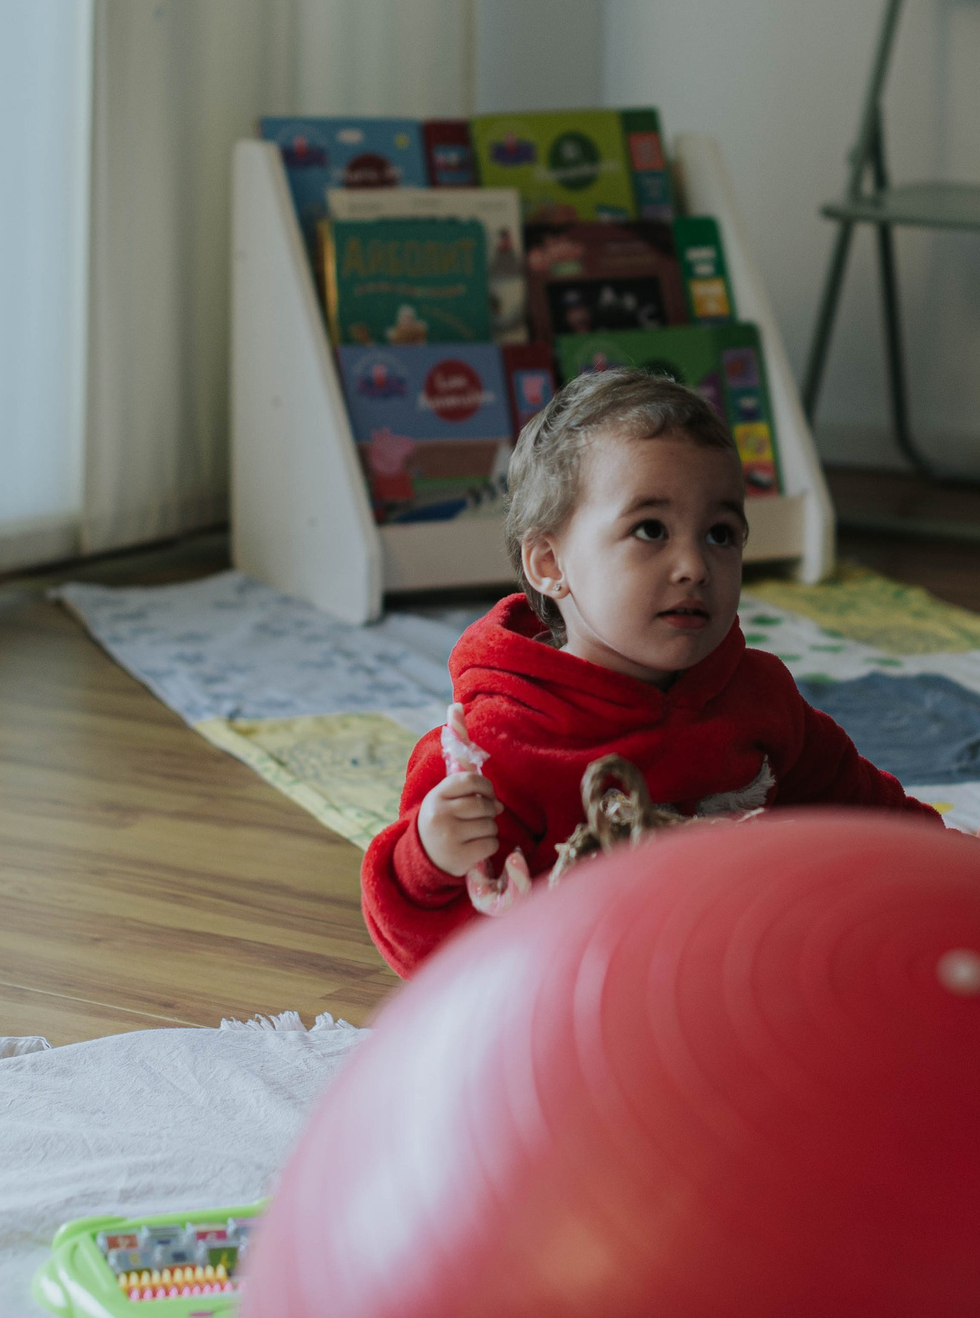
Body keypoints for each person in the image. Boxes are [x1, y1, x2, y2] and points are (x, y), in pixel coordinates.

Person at [360, 368, 941, 975]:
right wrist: (427, 859)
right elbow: (430, 963)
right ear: (549, 561)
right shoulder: (494, 746)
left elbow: (860, 807)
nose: (693, 565)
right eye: (650, 530)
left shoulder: (756, 694)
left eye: (720, 534)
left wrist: (960, 865)